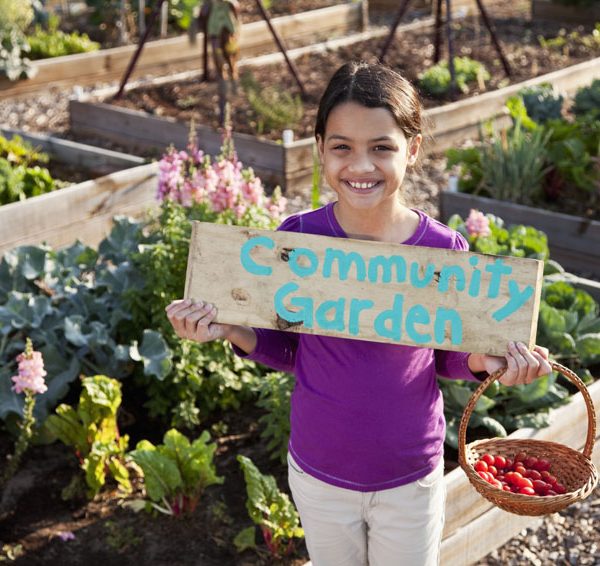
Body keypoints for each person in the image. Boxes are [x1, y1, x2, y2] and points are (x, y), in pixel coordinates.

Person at [165, 62, 552, 566]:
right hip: (319, 469)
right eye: (342, 146)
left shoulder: (442, 249)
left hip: (410, 472)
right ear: (320, 149)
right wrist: (233, 329)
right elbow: (291, 349)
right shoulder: (297, 239)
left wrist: (484, 361)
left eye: (382, 147)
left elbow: (445, 357)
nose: (361, 166)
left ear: (412, 150)